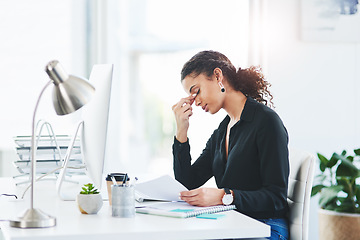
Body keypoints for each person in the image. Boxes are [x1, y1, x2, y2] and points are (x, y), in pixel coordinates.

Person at [172, 50, 289, 240]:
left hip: (265, 227)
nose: (196, 102)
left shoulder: (266, 121)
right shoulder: (223, 129)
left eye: (196, 91)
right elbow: (187, 183)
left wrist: (224, 196)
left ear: (218, 76)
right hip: (234, 225)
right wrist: (181, 132)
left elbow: (276, 198)